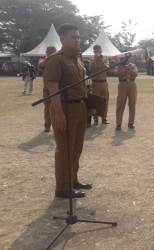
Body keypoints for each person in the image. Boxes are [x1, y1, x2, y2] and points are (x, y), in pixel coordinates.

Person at [45, 24, 92, 199]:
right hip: (64, 107)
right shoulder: (56, 60)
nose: (77, 40)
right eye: (74, 37)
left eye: (78, 37)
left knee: (76, 149)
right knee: (64, 149)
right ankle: (62, 188)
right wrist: (58, 113)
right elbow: (53, 86)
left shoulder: (77, 59)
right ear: (62, 38)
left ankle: (73, 180)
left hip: (79, 106)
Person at [38, 46, 57, 132]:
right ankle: (47, 126)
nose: (49, 53)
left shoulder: (58, 61)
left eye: (52, 52)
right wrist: (50, 57)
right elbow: (40, 65)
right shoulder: (43, 60)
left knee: (58, 108)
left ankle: (56, 126)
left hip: (57, 90)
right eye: (48, 51)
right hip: (47, 90)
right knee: (47, 109)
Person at [115, 62, 138, 130]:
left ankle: (131, 123)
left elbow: (135, 74)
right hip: (122, 84)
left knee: (132, 104)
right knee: (120, 104)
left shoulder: (133, 65)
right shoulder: (119, 65)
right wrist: (122, 68)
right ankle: (118, 124)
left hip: (132, 84)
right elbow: (117, 74)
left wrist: (128, 69)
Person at [90, 45, 109, 125]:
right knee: (96, 101)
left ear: (101, 50)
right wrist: (97, 59)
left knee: (105, 100)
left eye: (99, 50)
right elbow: (94, 67)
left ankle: (104, 118)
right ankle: (96, 119)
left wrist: (101, 59)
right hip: (95, 83)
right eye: (96, 50)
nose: (98, 52)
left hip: (104, 82)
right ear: (94, 51)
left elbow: (106, 67)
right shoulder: (92, 59)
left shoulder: (105, 59)